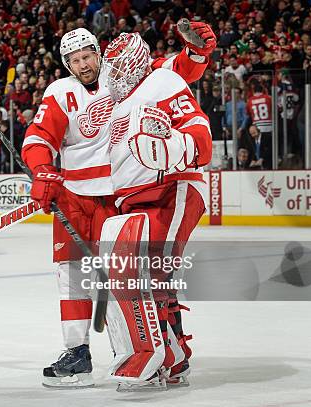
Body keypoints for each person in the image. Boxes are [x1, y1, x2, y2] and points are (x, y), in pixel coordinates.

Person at [21, 24, 216, 389]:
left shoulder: (120, 74)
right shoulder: (60, 92)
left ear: (98, 52)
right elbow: (38, 137)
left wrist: (195, 54)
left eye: (87, 56)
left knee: (138, 274)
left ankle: (153, 348)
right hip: (75, 196)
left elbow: (167, 72)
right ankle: (76, 352)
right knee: (72, 275)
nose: (83, 65)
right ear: (67, 64)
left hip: (117, 192)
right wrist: (42, 169)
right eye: (75, 60)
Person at [98, 32, 212, 390]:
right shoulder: (123, 101)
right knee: (142, 276)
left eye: (118, 68)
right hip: (137, 197)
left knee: (151, 276)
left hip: (171, 187)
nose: (112, 76)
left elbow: (198, 130)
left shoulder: (161, 80)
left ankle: (160, 356)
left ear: (134, 62)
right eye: (110, 69)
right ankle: (172, 358)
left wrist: (178, 145)